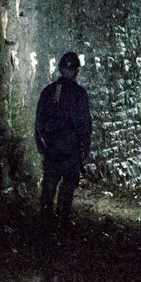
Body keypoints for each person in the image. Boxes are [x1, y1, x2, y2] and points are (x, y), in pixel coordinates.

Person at [35, 52, 92, 226]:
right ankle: (63, 218)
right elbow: (84, 122)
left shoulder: (48, 91)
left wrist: (41, 143)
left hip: (52, 146)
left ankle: (46, 217)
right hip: (70, 146)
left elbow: (39, 120)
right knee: (68, 182)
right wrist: (85, 145)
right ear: (76, 71)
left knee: (51, 180)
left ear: (60, 69)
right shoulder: (79, 93)